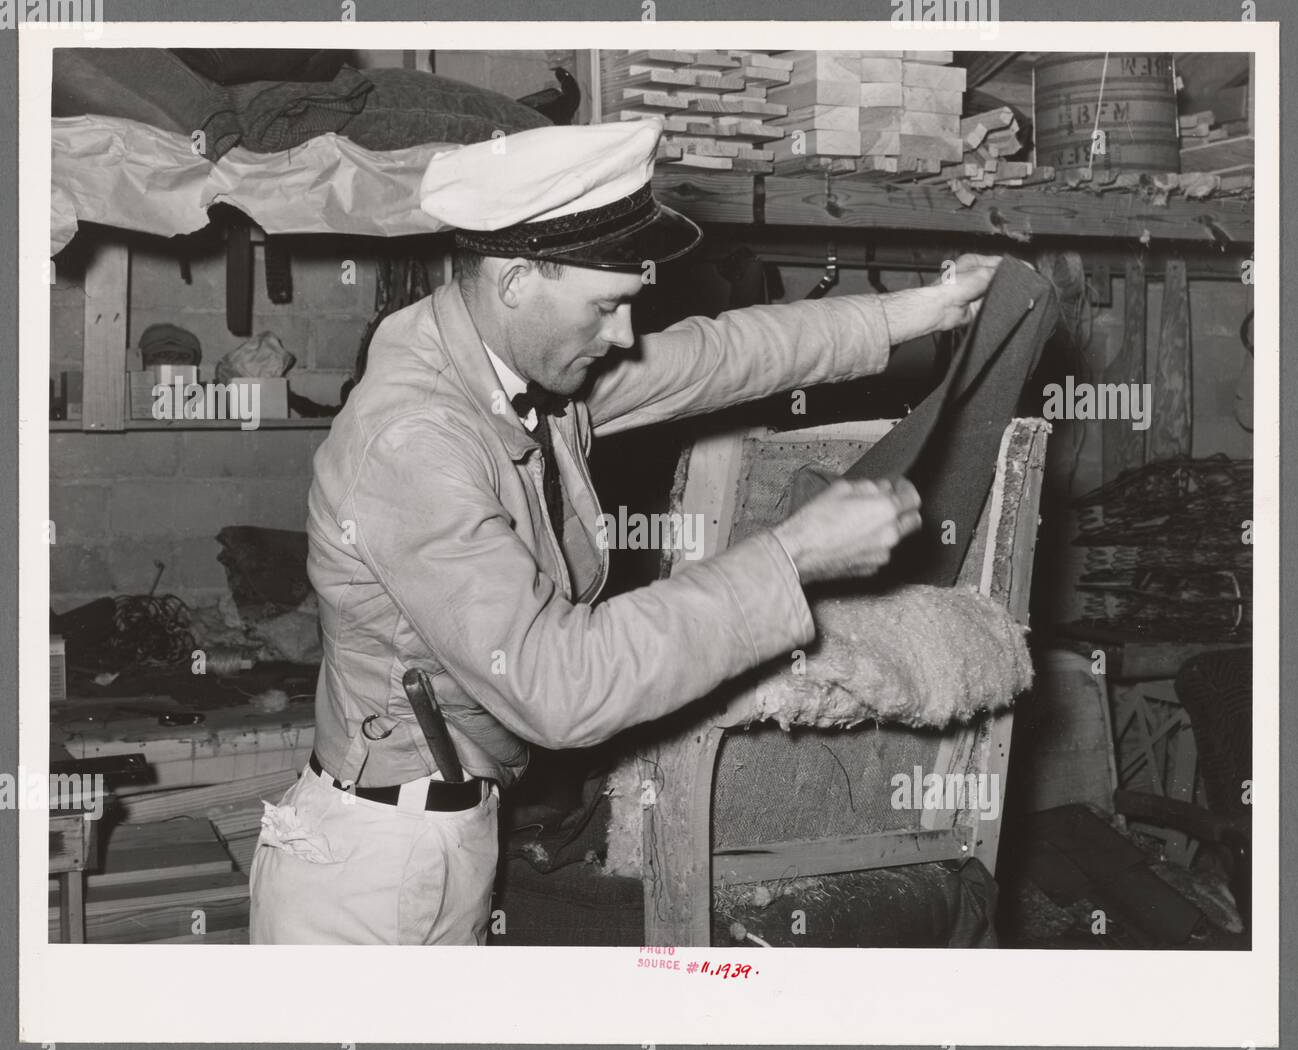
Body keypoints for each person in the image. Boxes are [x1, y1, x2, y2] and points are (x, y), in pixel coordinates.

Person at [249, 118, 1000, 945]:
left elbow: (722, 355)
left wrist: (925, 308)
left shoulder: (510, 367)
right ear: (513, 281)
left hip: (451, 831)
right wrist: (791, 559)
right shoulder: (417, 440)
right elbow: (558, 684)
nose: (623, 336)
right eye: (605, 307)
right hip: (371, 869)